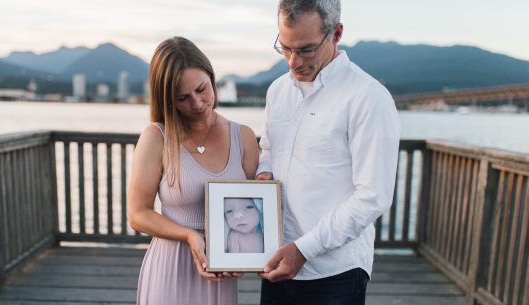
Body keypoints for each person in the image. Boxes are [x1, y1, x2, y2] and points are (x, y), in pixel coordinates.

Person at [256, 0, 401, 304]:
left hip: (336, 273)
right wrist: (263, 170)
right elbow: (268, 148)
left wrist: (304, 249)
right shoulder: (277, 91)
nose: (293, 62)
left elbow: (372, 196)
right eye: (285, 48)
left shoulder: (369, 97)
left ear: (336, 33)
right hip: (279, 261)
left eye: (306, 49)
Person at [127, 36, 260, 305]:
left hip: (219, 273)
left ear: (212, 78)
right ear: (167, 100)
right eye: (183, 98)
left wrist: (244, 257)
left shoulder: (243, 137)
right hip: (170, 270)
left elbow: (256, 208)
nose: (197, 103)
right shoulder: (156, 137)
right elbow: (137, 214)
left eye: (202, 89)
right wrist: (190, 236)